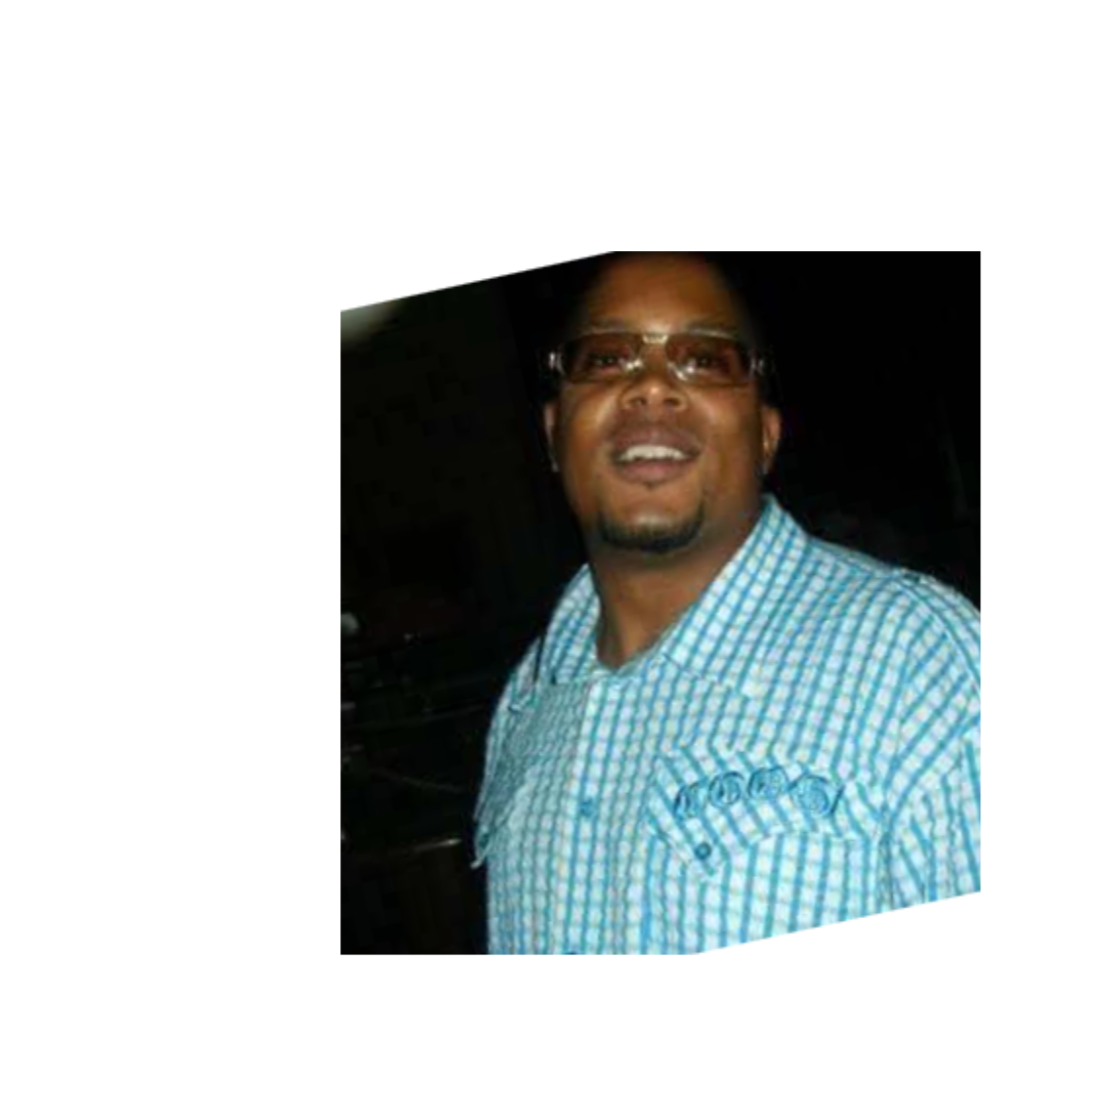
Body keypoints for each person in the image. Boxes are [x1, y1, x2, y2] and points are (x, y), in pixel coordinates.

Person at [471, 251, 982, 956]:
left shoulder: (920, 664)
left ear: (765, 438)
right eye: (607, 358)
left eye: (705, 360)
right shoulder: (527, 701)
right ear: (554, 432)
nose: (651, 386)